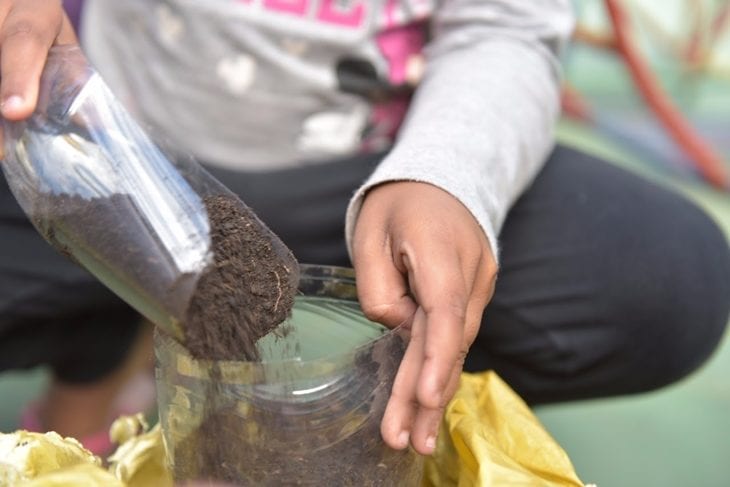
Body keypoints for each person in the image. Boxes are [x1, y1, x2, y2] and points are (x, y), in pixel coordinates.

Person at [0, 0, 729, 458]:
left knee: (663, 274)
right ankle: (93, 366)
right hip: (107, 149)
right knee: (81, 231)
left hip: (361, 174)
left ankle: (330, 432)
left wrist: (444, 176)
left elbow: (506, 23)